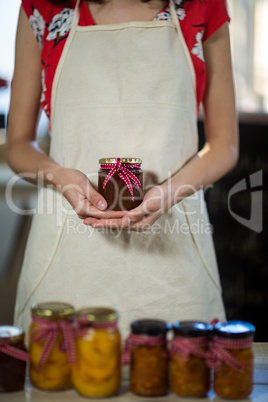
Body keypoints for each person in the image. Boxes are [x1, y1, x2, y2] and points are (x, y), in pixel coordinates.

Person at [7, 0, 238, 339]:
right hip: (69, 255)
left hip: (173, 257)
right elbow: (18, 144)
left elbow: (225, 145)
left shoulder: (204, 7)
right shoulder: (42, 8)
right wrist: (62, 179)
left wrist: (171, 191)